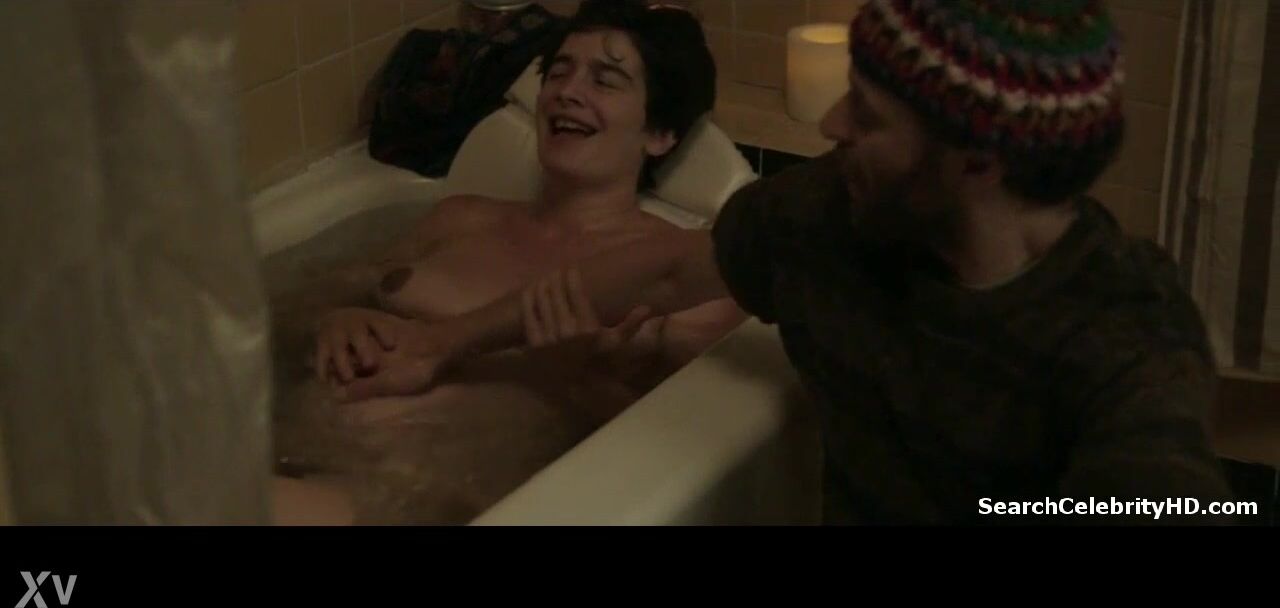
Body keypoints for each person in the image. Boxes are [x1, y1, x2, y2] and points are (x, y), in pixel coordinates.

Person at [348, 0, 1240, 525]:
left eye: (868, 115)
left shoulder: (1125, 336)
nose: (831, 127)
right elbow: (659, 274)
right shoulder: (829, 214)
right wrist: (442, 343)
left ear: (976, 163)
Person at [267, 0, 744, 525]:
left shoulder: (681, 283)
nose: (567, 91)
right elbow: (294, 306)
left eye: (605, 81)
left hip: (411, 498)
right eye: (558, 72)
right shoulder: (459, 219)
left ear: (660, 133)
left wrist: (575, 385)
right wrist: (334, 318)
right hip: (285, 448)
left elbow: (694, 461)